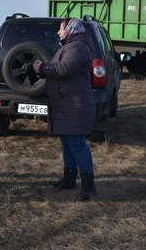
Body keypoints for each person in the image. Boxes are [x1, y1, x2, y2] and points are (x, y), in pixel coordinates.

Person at [33, 18, 97, 201]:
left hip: (76, 104)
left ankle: (89, 187)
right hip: (67, 103)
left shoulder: (79, 46)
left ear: (71, 29)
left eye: (61, 28)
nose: (59, 32)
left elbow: (63, 69)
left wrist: (41, 68)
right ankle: (69, 179)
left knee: (77, 143)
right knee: (68, 142)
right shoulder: (67, 46)